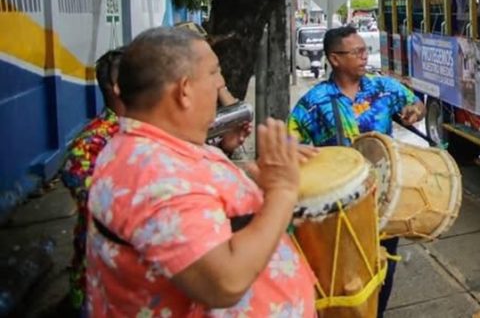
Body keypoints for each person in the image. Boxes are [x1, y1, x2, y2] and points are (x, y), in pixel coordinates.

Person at [85, 27, 317, 317]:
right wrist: (282, 190)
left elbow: (200, 203)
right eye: (214, 72)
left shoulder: (157, 147)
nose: (220, 82)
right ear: (184, 90)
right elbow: (225, 283)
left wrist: (259, 180)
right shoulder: (155, 174)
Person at [288, 25, 425, 317]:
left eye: (365, 50)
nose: (365, 56)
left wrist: (415, 110)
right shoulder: (314, 102)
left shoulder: (382, 88)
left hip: (382, 199)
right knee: (345, 278)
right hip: (338, 207)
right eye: (357, 52)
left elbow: (415, 103)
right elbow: (290, 145)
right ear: (335, 59)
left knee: (383, 269)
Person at [60, 48, 123, 312]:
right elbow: (104, 209)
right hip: (101, 289)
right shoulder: (91, 144)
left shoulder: (152, 131)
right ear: (118, 87)